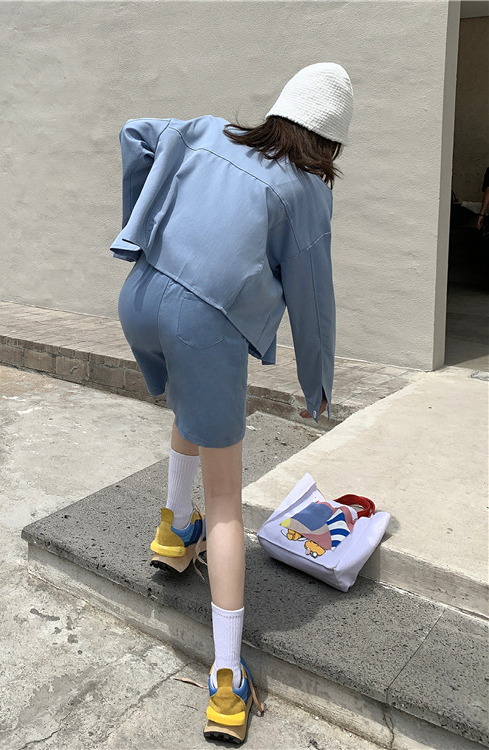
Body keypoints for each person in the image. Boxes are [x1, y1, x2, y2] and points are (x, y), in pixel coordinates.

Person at [111, 63, 353, 744]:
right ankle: (225, 681)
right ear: (330, 141)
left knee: (190, 408)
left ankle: (171, 532)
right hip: (203, 325)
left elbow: (135, 134)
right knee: (225, 500)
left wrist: (140, 225)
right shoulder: (306, 191)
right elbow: (313, 296)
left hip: (141, 296)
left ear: (280, 111)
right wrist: (317, 382)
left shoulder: (208, 131)